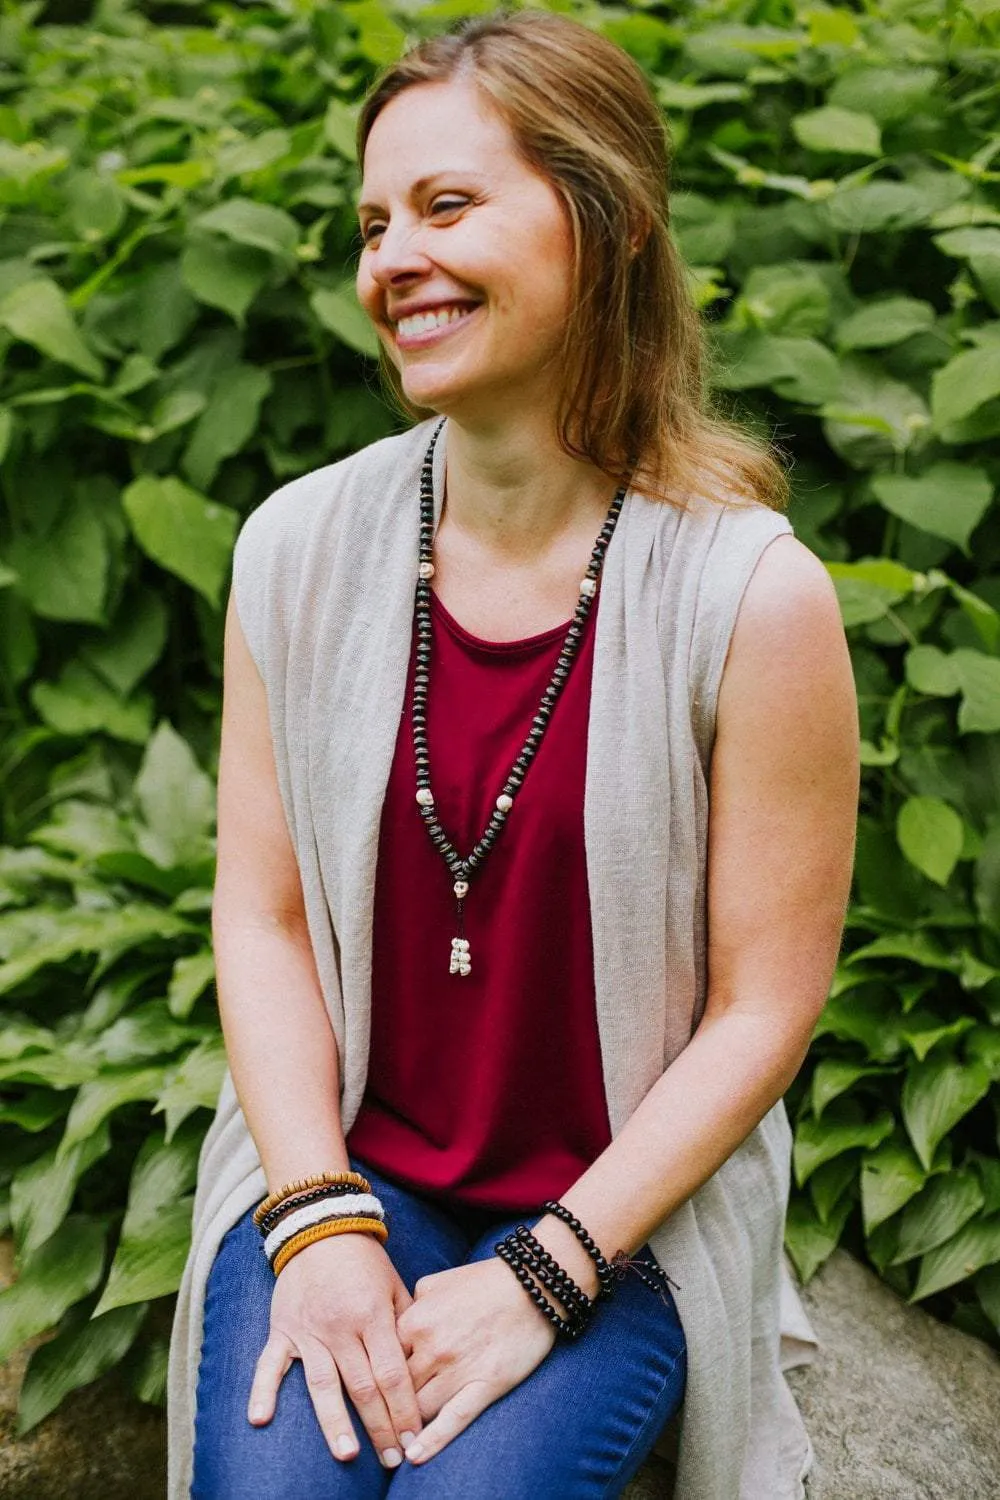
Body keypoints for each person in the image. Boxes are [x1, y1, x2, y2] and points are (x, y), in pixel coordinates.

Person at [167, 10, 859, 1499]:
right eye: (371, 222)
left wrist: (542, 1278)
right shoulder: (293, 549)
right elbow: (264, 916)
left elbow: (763, 1006)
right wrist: (318, 1217)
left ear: (601, 221)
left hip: (624, 1222)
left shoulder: (752, 596)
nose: (390, 259)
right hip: (346, 1170)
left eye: (446, 206)